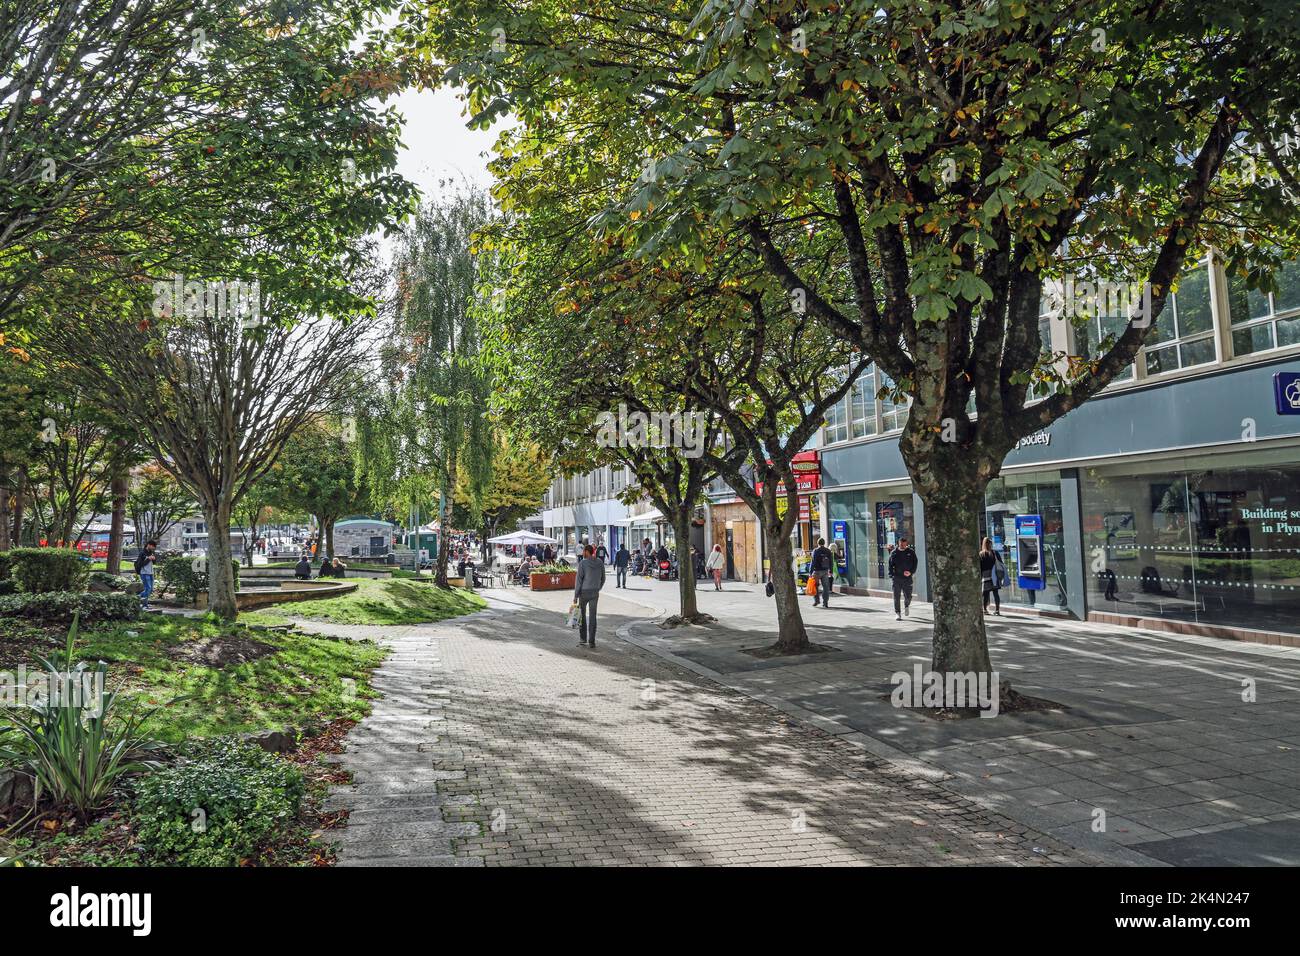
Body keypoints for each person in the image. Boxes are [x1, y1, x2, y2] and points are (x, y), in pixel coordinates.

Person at [573, 544, 606, 648]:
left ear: (587, 552)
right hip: (595, 593)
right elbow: (603, 578)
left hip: (584, 592)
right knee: (593, 617)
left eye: (583, 551)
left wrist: (575, 595)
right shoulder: (600, 562)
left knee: (582, 616)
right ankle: (592, 641)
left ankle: (583, 639)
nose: (582, 553)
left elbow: (579, 580)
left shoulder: (583, 563)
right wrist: (598, 587)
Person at [888, 536, 918, 621]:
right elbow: (890, 565)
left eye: (904, 545)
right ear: (898, 543)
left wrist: (911, 572)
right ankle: (898, 613)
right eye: (901, 545)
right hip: (897, 578)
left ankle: (907, 605)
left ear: (906, 544)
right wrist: (892, 575)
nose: (903, 546)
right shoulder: (894, 553)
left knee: (908, 596)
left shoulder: (911, 552)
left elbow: (915, 563)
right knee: (896, 596)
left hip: (907, 578)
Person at [979, 537, 1004, 615]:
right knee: (995, 592)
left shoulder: (981, 554)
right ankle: (997, 610)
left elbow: (980, 566)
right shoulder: (995, 553)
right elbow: (1001, 563)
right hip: (994, 575)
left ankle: (985, 609)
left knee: (985, 593)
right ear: (990, 544)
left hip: (985, 575)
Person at [810, 536, 836, 608]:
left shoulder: (815, 551)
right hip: (825, 571)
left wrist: (810, 572)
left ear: (818, 543)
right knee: (826, 587)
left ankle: (816, 600)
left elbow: (813, 562)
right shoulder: (828, 551)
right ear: (824, 543)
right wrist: (830, 571)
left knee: (815, 586)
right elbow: (831, 562)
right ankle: (825, 603)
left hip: (817, 571)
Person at [134, 540, 158, 610]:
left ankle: (145, 605)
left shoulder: (151, 552)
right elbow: (140, 564)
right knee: (148, 589)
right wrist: (148, 559)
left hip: (151, 573)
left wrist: (153, 559)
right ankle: (136, 598)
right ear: (149, 545)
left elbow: (154, 563)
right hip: (144, 573)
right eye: (153, 546)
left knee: (150, 590)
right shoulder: (142, 553)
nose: (153, 548)